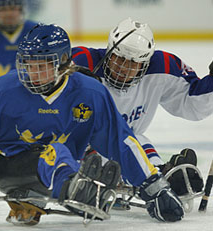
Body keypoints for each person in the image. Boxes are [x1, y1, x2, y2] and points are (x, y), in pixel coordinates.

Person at [0, 24, 184, 225]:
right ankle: (75, 189)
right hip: (11, 168)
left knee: (84, 153)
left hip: (66, 163)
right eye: (28, 65)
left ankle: (77, 183)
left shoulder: (90, 92)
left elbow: (121, 140)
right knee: (56, 151)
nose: (32, 73)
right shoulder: (5, 89)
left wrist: (154, 187)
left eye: (42, 65)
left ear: (64, 64)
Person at [72, 18, 212, 201]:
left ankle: (163, 175)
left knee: (137, 145)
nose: (123, 68)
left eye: (133, 63)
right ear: (109, 50)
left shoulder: (162, 67)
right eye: (119, 58)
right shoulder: (81, 62)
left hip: (130, 145)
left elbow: (194, 106)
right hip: (77, 146)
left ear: (146, 62)